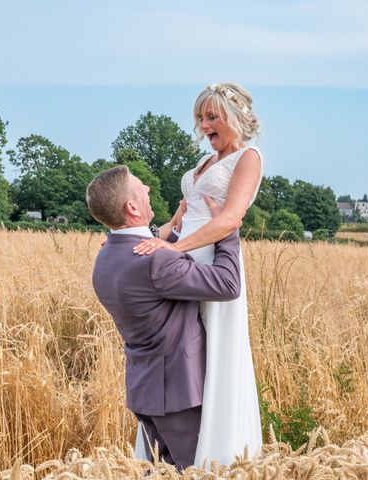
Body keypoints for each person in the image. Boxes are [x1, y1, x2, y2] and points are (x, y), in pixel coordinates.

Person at [134, 82, 263, 467]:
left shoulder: (248, 157)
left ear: (234, 118)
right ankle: (175, 447)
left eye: (211, 117)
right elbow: (176, 220)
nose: (203, 125)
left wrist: (176, 249)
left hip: (212, 263)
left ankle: (217, 457)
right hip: (182, 259)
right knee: (179, 348)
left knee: (211, 352)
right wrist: (133, 242)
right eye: (200, 118)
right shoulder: (205, 165)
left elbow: (230, 217)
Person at [86, 165, 242, 471]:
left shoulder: (105, 257)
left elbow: (146, 251)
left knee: (161, 471)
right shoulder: (155, 260)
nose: (147, 190)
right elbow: (228, 284)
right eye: (141, 187)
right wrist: (228, 227)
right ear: (131, 206)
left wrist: (172, 230)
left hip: (146, 390)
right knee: (196, 472)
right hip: (177, 394)